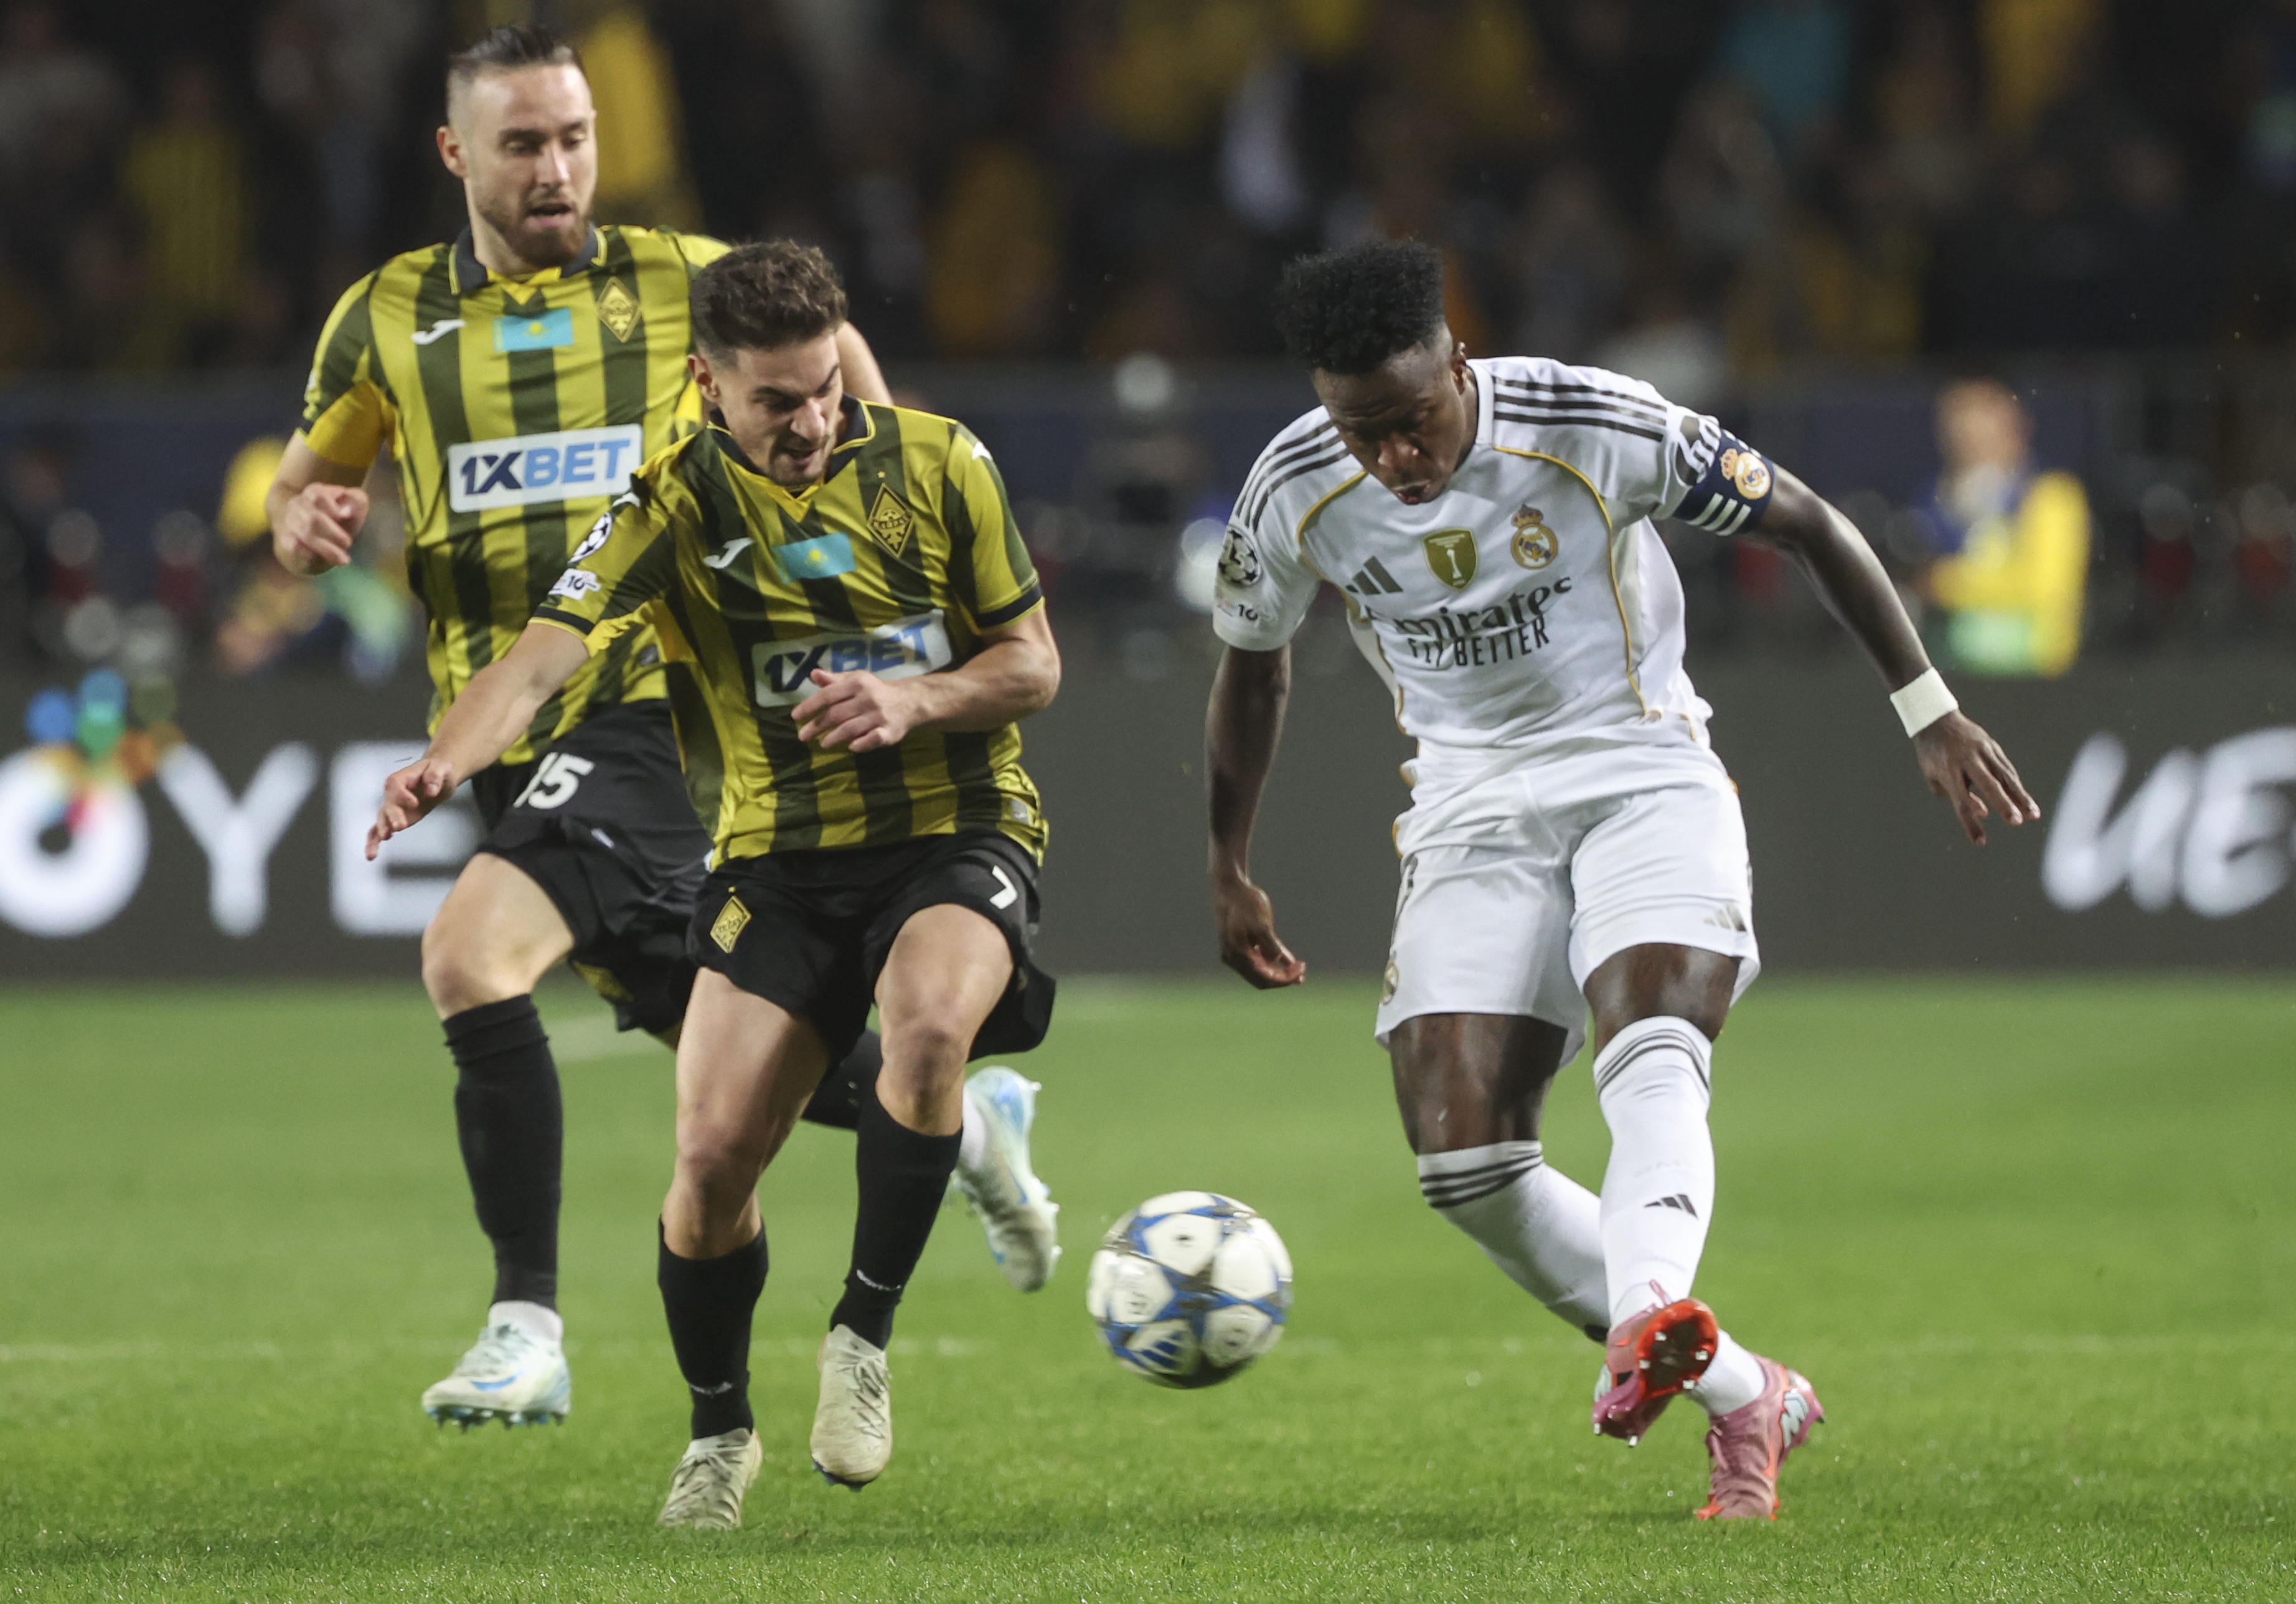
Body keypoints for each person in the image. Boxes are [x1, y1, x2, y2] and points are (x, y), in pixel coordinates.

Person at [266, 24, 1058, 1433]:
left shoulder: (679, 277)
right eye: (521, 143)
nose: (557, 165)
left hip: (650, 712)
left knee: (467, 955)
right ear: (456, 154)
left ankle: (525, 1324)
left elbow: (840, 372)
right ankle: (945, 1113)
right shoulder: (381, 315)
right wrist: (304, 517)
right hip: (500, 718)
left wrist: (877, 535)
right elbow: (304, 477)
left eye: (573, 135)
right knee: (734, 1083)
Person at [1205, 240, 2037, 1521]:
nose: (1393, 459)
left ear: (1457, 365)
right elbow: (1251, 661)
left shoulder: (1594, 421)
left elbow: (1806, 521)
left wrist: (1924, 708)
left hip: (1641, 768)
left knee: (1647, 1038)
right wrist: (1230, 862)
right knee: (1460, 1165)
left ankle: (1647, 1315)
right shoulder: (1292, 487)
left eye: (1412, 422)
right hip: (1467, 809)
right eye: (1359, 430)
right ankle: (1742, 1385)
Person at [368, 240, 1062, 1530]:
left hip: (955, 826)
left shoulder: (940, 461)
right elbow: (536, 660)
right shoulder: (666, 507)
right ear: (707, 385)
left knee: (921, 1026)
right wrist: (440, 762)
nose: (810, 424)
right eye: (776, 402)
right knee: (707, 1166)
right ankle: (717, 1430)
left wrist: (915, 696)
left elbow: (1031, 665)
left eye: (823, 392)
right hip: (777, 862)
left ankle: (859, 1337)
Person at [1915, 377, 2091, 677]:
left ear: (2016, 434)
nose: (1974, 453)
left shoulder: (2052, 496)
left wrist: (1950, 584)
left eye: (1985, 439)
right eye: (1962, 442)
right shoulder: (1938, 500)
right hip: (1954, 670)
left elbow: (2046, 589)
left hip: (2034, 671)